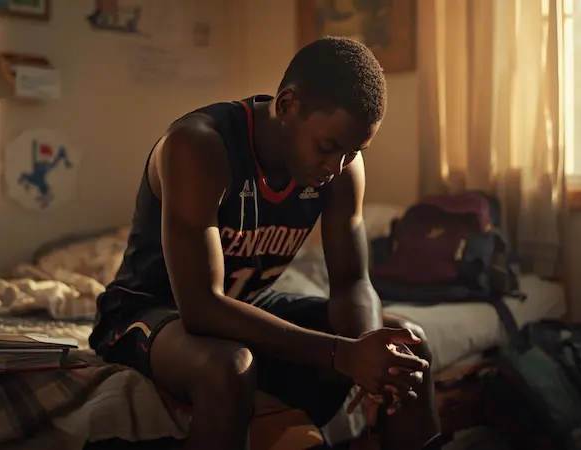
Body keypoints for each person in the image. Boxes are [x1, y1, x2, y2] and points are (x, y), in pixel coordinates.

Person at [88, 36, 442, 450]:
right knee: (228, 367)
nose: (337, 166)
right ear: (287, 105)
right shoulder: (199, 145)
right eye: (328, 148)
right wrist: (340, 353)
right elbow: (201, 308)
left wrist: (368, 356)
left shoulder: (343, 165)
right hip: (150, 311)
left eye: (353, 153)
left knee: (405, 345)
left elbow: (352, 283)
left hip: (249, 306)